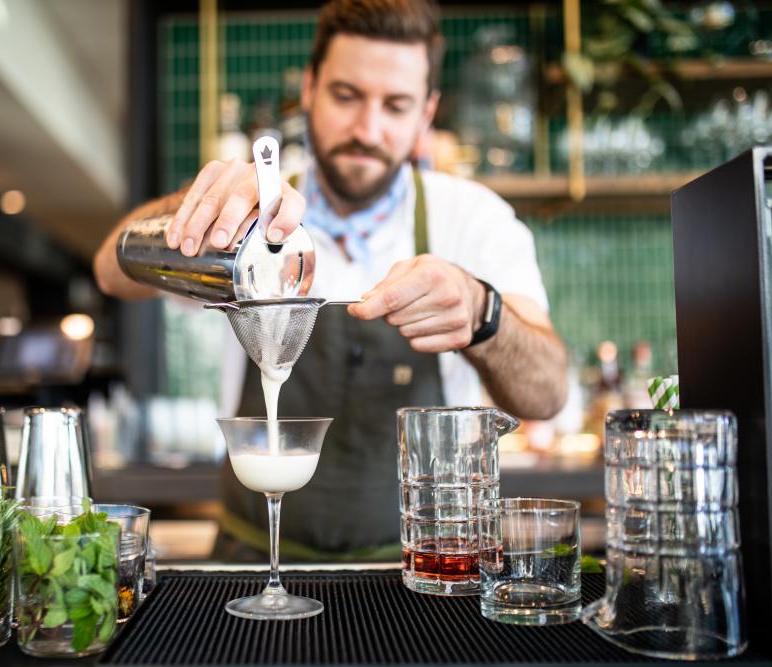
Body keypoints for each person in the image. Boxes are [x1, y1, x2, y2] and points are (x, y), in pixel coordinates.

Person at [95, 0, 569, 561]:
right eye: (347, 96)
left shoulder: (473, 219)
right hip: (251, 561)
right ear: (311, 89)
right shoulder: (250, 211)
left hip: (417, 569)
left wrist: (482, 312)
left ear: (427, 114)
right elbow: (109, 268)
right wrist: (194, 207)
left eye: (396, 105)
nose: (367, 129)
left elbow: (547, 395)